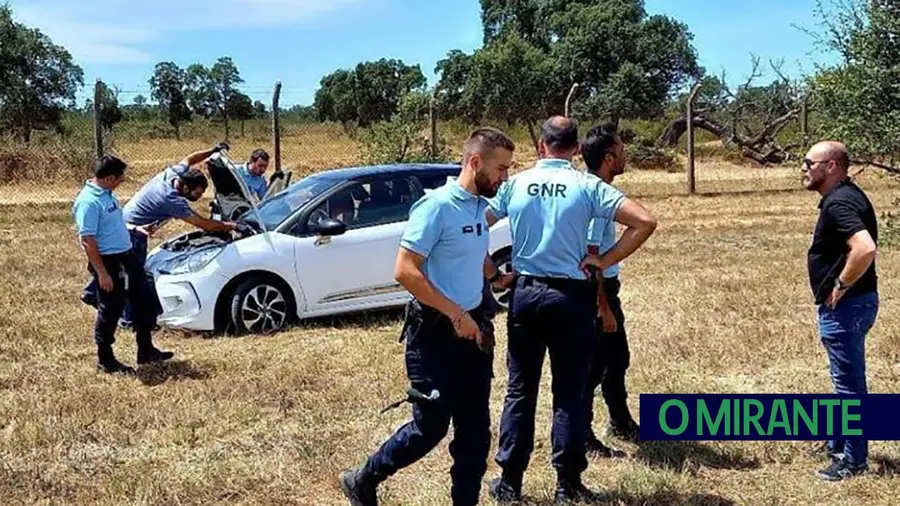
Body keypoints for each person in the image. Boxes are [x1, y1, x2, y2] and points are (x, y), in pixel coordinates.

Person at [339, 127, 517, 506]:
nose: (505, 178)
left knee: (474, 435)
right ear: (474, 162)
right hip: (435, 334)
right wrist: (455, 315)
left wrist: (495, 276)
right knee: (430, 428)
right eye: (501, 169)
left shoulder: (475, 207)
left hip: (473, 332)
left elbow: (472, 250)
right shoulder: (436, 207)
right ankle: (363, 478)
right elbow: (405, 270)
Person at [486, 116, 657, 503]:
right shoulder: (588, 185)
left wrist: (493, 272)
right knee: (569, 392)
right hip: (571, 296)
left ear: (541, 146)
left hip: (527, 292)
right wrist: (604, 259)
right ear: (576, 149)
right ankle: (567, 483)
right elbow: (645, 221)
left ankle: (510, 482)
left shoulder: (516, 184)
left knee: (520, 389)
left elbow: (476, 222)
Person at [80, 142, 240, 327]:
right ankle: (128, 320)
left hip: (129, 223)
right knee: (133, 275)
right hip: (133, 231)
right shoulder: (171, 199)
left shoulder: (173, 173)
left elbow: (190, 158)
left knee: (120, 268)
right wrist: (230, 225)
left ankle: (92, 293)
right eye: (197, 194)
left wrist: (213, 151)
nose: (198, 197)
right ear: (185, 188)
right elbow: (203, 224)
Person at [802, 141, 879, 481]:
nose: (804, 168)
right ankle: (839, 439)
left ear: (831, 166)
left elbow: (865, 248)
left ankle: (853, 460)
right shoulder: (847, 195)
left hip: (847, 307)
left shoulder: (840, 203)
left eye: (809, 163)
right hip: (858, 304)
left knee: (849, 387)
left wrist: (841, 285)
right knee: (843, 380)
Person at [72, 155, 173, 374]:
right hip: (109, 262)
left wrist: (136, 229)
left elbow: (113, 223)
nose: (122, 182)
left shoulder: (107, 195)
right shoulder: (89, 202)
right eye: (119, 178)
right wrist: (102, 273)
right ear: (109, 178)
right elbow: (88, 240)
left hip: (127, 256)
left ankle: (145, 350)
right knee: (111, 309)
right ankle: (105, 359)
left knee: (145, 300)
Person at [581, 124, 641, 452]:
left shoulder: (597, 189)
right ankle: (584, 434)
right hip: (596, 291)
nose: (624, 156)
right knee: (593, 366)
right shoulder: (597, 196)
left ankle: (620, 421)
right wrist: (602, 305)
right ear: (608, 157)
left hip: (606, 288)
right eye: (620, 151)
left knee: (617, 358)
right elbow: (591, 258)